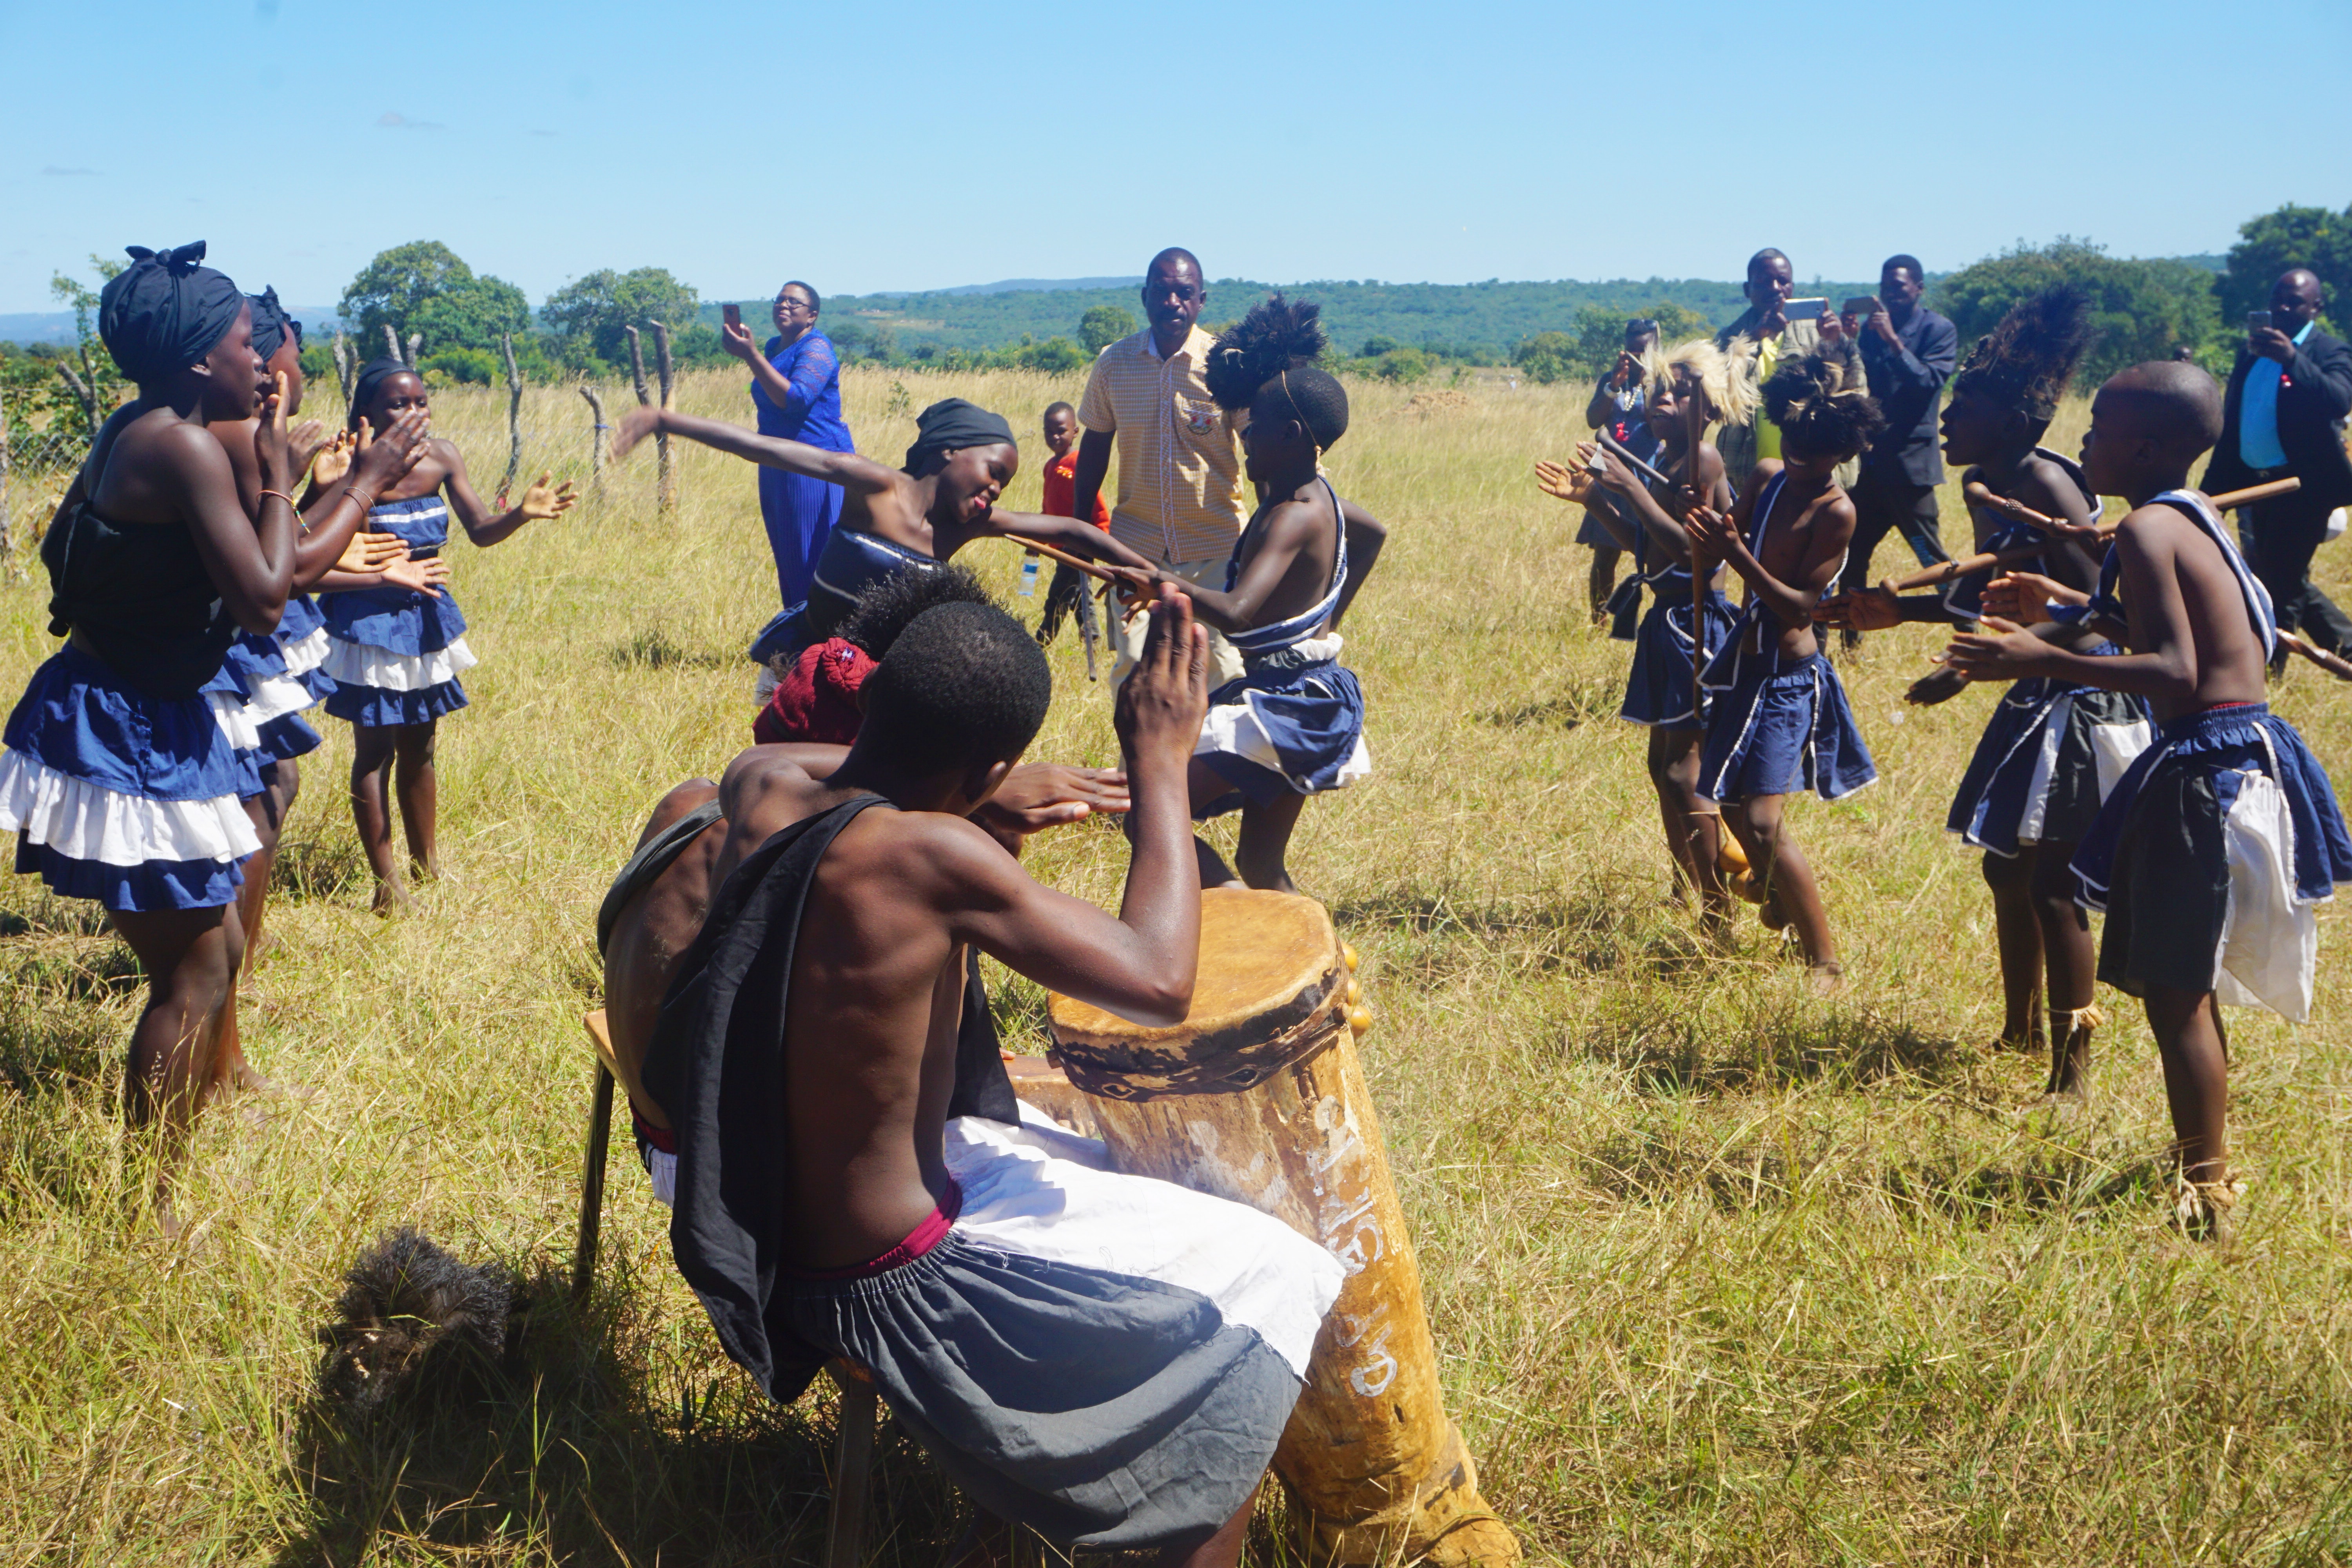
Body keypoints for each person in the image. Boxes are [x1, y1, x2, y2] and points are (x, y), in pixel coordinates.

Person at [635, 588, 1345, 1561]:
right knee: (1273, 1280)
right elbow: (1158, 979)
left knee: (1122, 1181)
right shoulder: (937, 854)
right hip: (889, 1284)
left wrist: (972, 778)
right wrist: (1162, 768)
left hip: (775, 1230)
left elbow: (783, 760)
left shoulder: (761, 788)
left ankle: (1003, 1525)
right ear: (990, 769)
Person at [1946, 361, 2352, 1238]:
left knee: (2176, 994)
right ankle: (2201, 1164)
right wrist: (2057, 602)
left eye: (2099, 427)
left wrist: (2038, 656)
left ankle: (2206, 1196)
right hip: (2247, 750)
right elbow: (2190, 639)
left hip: (2203, 768)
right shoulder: (2199, 513)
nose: (2085, 442)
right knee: (2184, 987)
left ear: (2146, 445)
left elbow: (2176, 669)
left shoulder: (2143, 529)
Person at [0, 243, 299, 1227]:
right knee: (198, 966)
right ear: (196, 358)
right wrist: (286, 473)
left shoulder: (149, 425)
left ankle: (160, 1186)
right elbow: (262, 599)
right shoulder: (179, 444)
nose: (260, 360)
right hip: (121, 726)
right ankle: (151, 1213)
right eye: (246, 342)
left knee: (208, 953)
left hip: (129, 709)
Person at [1823, 287, 2151, 1095]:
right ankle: (2018, 1028)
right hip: (2038, 688)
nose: (1946, 421)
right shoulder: (1995, 481)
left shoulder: (2043, 484)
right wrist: (1903, 611)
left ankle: (2071, 1072)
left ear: (2006, 422)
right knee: (2007, 870)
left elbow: (2100, 614)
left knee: (2053, 881)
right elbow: (2005, 598)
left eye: (1962, 408)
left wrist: (1992, 658)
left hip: (2086, 697)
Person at [205, 289, 430, 1089]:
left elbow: (283, 542)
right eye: (290, 354)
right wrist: (361, 486)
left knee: (277, 789)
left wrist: (322, 490)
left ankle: (232, 996)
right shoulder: (227, 443)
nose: (294, 373)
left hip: (247, 649)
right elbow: (282, 568)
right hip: (229, 662)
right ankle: (220, 1028)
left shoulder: (249, 443)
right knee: (256, 809)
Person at [618, 394, 1159, 696]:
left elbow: (1074, 531)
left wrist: (1138, 573)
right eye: (993, 472)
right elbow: (761, 449)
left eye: (1005, 485)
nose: (996, 490)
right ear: (948, 452)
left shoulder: (967, 527)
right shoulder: (876, 488)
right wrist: (665, 420)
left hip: (872, 689)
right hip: (799, 672)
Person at [319, 359, 578, 912]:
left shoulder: (444, 456)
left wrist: (523, 517)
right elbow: (314, 541)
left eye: (421, 402)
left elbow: (481, 531)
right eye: (398, 404)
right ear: (368, 414)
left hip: (426, 618)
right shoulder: (353, 466)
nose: (415, 413)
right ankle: (387, 885)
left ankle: (427, 867)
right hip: (368, 623)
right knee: (374, 753)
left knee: (422, 745)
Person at [1687, 352, 1884, 990]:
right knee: (1732, 806)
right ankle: (1777, 897)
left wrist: (1734, 554)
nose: (1799, 460)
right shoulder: (1768, 477)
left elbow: (1801, 606)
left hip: (1789, 677)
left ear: (1840, 453)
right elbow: (1726, 536)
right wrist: (1709, 533)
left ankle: (1824, 959)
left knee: (1765, 821)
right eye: (1793, 445)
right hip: (1744, 665)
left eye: (1815, 454)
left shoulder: (1837, 512)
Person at [1577, 340, 1746, 935]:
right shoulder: (1669, 455)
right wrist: (1599, 498)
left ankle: (1719, 906)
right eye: (1659, 391)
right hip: (1665, 620)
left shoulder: (1702, 459)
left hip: (1695, 624)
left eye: (1678, 393)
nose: (1662, 401)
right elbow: (1646, 546)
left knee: (1685, 773)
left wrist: (1629, 486)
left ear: (1709, 406)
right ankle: (1688, 883)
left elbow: (1690, 550)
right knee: (1662, 766)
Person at [1071, 248, 1251, 686]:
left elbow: (1258, 449)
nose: (1173, 302)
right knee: (1135, 671)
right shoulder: (1114, 362)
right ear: (1145, 297)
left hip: (1216, 548)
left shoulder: (1227, 365)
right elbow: (1095, 445)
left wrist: (1270, 536)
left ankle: (1214, 758)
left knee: (1222, 671)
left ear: (1201, 299)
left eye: (1184, 293)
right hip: (1136, 551)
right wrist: (1081, 534)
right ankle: (1138, 760)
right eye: (1163, 292)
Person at [2200, 267, 2352, 661]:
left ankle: (2269, 673)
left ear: (2316, 307)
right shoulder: (2250, 354)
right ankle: (2348, 648)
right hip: (2253, 484)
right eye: (2277, 299)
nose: (2282, 307)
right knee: (2277, 577)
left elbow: (2339, 400)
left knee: (2278, 586)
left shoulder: (2329, 350)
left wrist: (2292, 358)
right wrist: (2209, 493)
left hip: (2301, 489)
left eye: (2294, 301)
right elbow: (2235, 423)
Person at [721, 280, 854, 610]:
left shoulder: (817, 349)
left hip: (813, 465)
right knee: (788, 553)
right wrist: (754, 354)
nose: (783, 306)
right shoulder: (773, 348)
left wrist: (749, 355)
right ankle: (795, 635)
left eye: (794, 303)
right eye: (779, 300)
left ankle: (816, 642)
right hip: (776, 462)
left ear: (812, 316)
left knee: (812, 553)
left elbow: (795, 399)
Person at [1839, 255, 1959, 605]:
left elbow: (1928, 382)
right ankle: (1851, 637)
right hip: (1870, 470)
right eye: (1885, 287)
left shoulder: (1938, 330)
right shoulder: (1871, 334)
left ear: (1919, 289)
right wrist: (1848, 341)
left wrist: (1894, 341)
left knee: (1929, 556)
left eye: (1899, 286)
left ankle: (1965, 624)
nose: (1891, 294)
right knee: (1852, 556)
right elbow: (1857, 384)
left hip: (1909, 472)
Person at [1714, 248, 1838, 493]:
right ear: (1747, 289)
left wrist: (1836, 343)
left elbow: (1848, 390)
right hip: (1747, 473)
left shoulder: (1816, 334)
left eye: (1783, 281)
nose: (1775, 288)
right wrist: (1751, 340)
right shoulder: (1728, 338)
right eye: (1763, 281)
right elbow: (1716, 395)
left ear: (1792, 286)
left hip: (1809, 468)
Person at [1577, 318, 1662, 622]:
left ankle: (1656, 617)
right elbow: (1593, 420)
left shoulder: (1664, 381)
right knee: (1605, 553)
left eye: (1645, 349)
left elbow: (1659, 427)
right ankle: (1598, 619)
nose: (1639, 356)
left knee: (1656, 553)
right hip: (1608, 472)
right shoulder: (1611, 379)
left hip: (1647, 474)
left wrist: (1652, 384)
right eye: (1633, 349)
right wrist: (1613, 386)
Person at [1032, 399, 1111, 659]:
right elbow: (1049, 510)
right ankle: (1092, 636)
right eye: (1049, 431)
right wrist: (1036, 540)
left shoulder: (1079, 463)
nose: (1055, 436)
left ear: (1075, 432)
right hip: (1062, 547)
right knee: (1079, 594)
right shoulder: (1050, 466)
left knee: (1059, 595)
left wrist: (1099, 540)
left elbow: (1098, 508)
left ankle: (1042, 641)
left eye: (1061, 430)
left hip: (1078, 545)